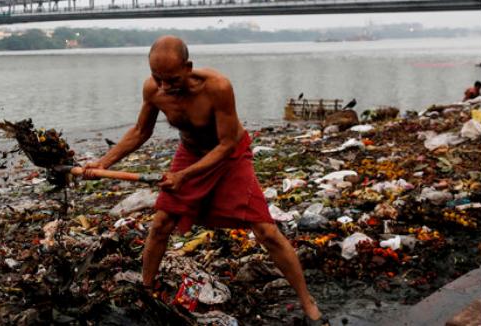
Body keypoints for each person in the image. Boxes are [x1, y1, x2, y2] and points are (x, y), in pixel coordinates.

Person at [84, 36, 326, 324]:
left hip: (229, 156)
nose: (164, 87)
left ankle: (306, 300)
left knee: (265, 231)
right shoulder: (154, 89)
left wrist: (182, 176)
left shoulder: (217, 87)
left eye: (171, 79)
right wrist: (103, 162)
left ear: (188, 67)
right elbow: (140, 131)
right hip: (190, 152)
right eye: (156, 78)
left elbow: (225, 145)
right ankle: (145, 290)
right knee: (161, 223)